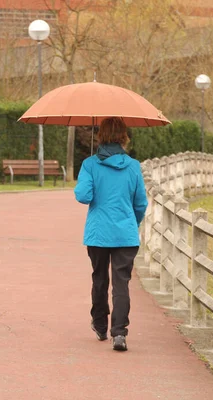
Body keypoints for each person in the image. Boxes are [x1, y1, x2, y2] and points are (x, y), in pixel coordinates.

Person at [73, 118, 148, 352]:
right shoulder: (133, 166)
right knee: (121, 283)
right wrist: (130, 224)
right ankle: (119, 333)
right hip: (125, 234)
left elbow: (83, 196)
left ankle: (99, 324)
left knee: (99, 278)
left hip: (98, 234)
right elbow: (141, 203)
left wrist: (89, 177)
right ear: (124, 136)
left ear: (101, 136)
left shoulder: (90, 165)